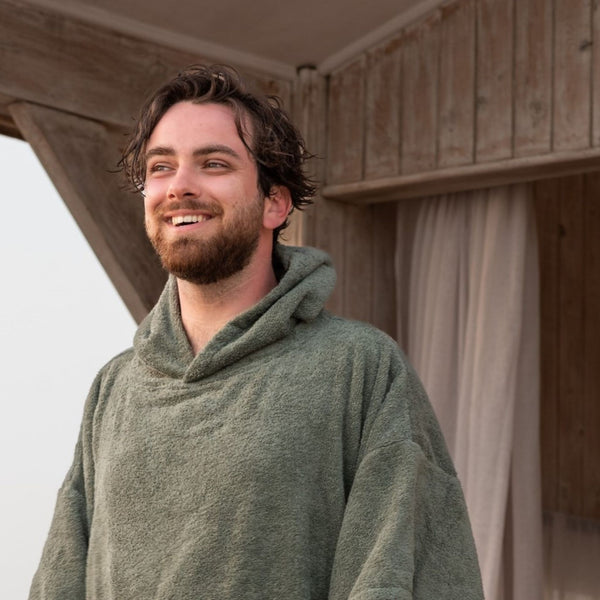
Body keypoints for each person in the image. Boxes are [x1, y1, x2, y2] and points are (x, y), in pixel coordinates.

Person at [29, 65, 483, 600]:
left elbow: (400, 575)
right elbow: (59, 579)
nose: (179, 187)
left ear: (275, 202)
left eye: (213, 164)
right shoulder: (116, 388)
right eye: (161, 167)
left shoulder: (359, 368)